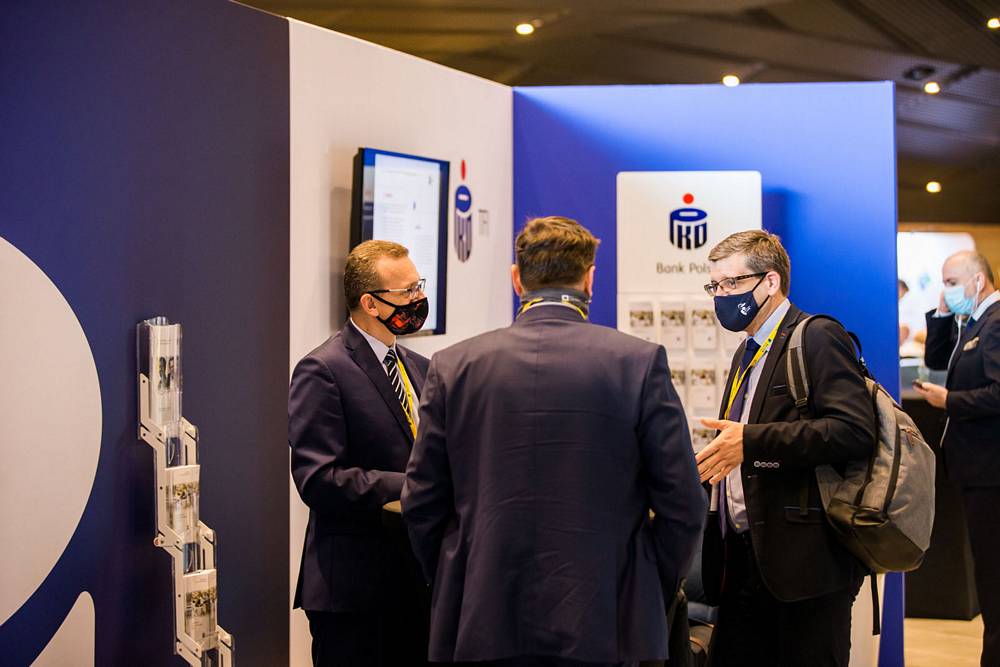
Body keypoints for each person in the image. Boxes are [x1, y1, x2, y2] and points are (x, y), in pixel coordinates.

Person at [402, 216, 706, 667]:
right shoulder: (638, 363)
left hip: (482, 617)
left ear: (516, 278)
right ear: (590, 279)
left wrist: (458, 579)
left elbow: (422, 501)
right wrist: (644, 585)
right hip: (608, 619)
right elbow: (683, 504)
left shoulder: (452, 366)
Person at [694, 230, 874, 667]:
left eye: (732, 283)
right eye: (715, 286)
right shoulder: (746, 352)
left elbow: (853, 431)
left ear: (770, 281)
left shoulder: (817, 336)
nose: (722, 296)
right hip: (742, 559)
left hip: (805, 565)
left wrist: (751, 442)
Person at [289, 240, 431, 667]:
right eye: (407, 291)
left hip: (414, 585)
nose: (418, 299)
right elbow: (319, 479)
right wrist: (413, 485)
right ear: (370, 303)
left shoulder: (418, 366)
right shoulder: (323, 369)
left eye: (419, 286)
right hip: (354, 593)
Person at [916, 250, 1000, 667]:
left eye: (952, 283)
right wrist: (943, 312)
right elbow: (935, 359)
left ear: (978, 281)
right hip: (976, 469)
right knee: (988, 573)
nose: (946, 290)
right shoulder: (974, 321)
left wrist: (950, 400)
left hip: (991, 470)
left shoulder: (995, 323)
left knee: (994, 575)